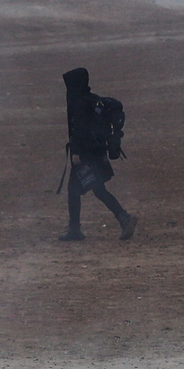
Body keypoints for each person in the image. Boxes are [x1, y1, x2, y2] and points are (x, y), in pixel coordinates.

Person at [60, 66, 137, 241]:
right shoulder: (93, 100)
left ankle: (122, 217)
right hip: (98, 151)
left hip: (86, 154)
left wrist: (76, 153)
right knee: (85, 189)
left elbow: (79, 129)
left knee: (89, 189)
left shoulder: (79, 102)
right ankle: (75, 229)